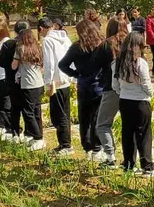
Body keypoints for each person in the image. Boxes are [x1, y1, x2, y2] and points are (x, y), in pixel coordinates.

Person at [59, 19, 109, 160]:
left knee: (84, 118)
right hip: (99, 86)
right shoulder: (102, 45)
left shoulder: (77, 47)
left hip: (84, 85)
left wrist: (76, 74)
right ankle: (97, 148)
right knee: (97, 119)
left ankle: (87, 147)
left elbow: (62, 65)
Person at [114, 30, 154, 175]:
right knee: (144, 134)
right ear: (137, 46)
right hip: (141, 102)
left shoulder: (118, 62)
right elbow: (146, 83)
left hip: (125, 101)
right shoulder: (140, 63)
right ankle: (147, 166)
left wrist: (123, 92)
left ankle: (128, 165)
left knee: (128, 133)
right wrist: (150, 94)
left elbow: (114, 84)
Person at [92, 19, 126, 168]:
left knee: (102, 125)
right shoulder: (129, 42)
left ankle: (110, 157)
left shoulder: (106, 44)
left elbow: (94, 64)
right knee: (129, 125)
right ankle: (131, 159)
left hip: (111, 88)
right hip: (129, 89)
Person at [38, 18, 73, 156]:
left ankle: (66, 145)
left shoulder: (48, 40)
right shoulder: (65, 38)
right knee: (64, 111)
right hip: (66, 79)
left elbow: (49, 63)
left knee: (58, 114)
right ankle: (64, 143)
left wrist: (48, 82)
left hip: (55, 81)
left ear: (41, 28)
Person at [9, 24, 46, 151]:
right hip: (39, 83)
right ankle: (39, 136)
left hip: (28, 84)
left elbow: (13, 66)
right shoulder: (38, 48)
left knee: (28, 112)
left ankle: (38, 138)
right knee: (37, 111)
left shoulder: (20, 48)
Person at [0, 21, 21, 137]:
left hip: (8, 77)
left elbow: (2, 62)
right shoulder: (28, 43)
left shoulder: (8, 44)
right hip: (16, 77)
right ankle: (11, 128)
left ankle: (14, 130)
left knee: (11, 106)